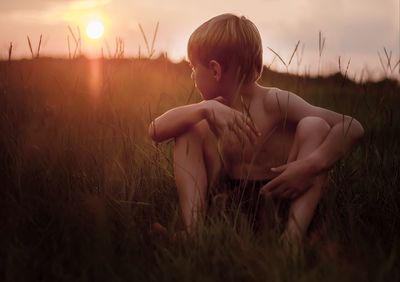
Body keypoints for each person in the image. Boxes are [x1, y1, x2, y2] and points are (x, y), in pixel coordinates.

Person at [148, 14, 364, 243]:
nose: (192, 75)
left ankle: (292, 240)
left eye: (193, 67)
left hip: (281, 197)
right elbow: (155, 130)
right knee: (186, 129)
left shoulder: (273, 102)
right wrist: (204, 109)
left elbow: (352, 126)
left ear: (215, 70)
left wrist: (310, 166)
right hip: (232, 201)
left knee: (315, 125)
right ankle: (195, 233)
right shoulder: (212, 110)